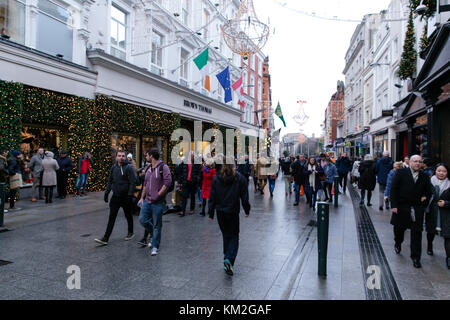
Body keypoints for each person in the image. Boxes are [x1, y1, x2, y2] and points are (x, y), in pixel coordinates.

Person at [208, 156, 251, 276]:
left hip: (220, 212)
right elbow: (244, 195)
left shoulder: (217, 178)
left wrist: (211, 212)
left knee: (226, 234)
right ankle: (229, 258)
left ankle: (227, 257)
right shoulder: (239, 178)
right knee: (234, 236)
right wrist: (247, 209)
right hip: (232, 211)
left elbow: (212, 197)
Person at [390, 155, 433, 268]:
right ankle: (398, 242)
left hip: (416, 208)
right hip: (401, 206)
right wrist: (394, 205)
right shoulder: (401, 173)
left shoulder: (424, 177)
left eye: (419, 162)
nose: (417, 164)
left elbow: (429, 192)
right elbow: (393, 189)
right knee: (399, 229)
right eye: (415, 161)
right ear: (410, 162)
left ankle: (415, 257)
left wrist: (424, 199)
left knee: (417, 233)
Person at [95, 150, 136, 246]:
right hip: (116, 197)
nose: (121, 157)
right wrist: (107, 192)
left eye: (123, 156)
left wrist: (130, 195)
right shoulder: (113, 168)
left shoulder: (129, 167)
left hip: (126, 196)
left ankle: (131, 232)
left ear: (125, 157)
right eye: (119, 156)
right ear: (116, 157)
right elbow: (110, 181)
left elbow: (132, 182)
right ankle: (106, 238)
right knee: (111, 217)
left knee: (128, 215)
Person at [137, 148, 172, 255]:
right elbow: (146, 184)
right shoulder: (148, 168)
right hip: (147, 200)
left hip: (158, 202)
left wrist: (158, 194)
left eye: (147, 155)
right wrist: (142, 197)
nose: (146, 157)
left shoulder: (163, 167)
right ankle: (153, 234)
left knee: (157, 224)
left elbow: (168, 182)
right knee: (142, 219)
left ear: (151, 156)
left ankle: (155, 246)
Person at [426, 164, 450, 265]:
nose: (441, 173)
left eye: (444, 171)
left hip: (447, 214)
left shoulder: (449, 184)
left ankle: (448, 257)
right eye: (439, 171)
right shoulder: (429, 182)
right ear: (435, 171)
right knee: (431, 231)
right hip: (432, 212)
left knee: (448, 235)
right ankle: (430, 246)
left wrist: (446, 203)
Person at [176, 151, 202, 217]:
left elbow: (200, 172)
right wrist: (180, 179)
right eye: (191, 155)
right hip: (185, 181)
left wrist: (196, 179)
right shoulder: (184, 162)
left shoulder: (197, 163)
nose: (192, 156)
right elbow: (179, 171)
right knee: (184, 195)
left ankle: (192, 209)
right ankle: (182, 210)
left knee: (192, 196)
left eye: (193, 155)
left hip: (193, 182)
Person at [0, 149, 9, 214]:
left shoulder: (3, 158)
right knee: (1, 193)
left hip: (2, 177)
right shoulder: (1, 159)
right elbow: (1, 168)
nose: (7, 154)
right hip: (1, 177)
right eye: (6, 152)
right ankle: (1, 209)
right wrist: (6, 172)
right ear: (3, 153)